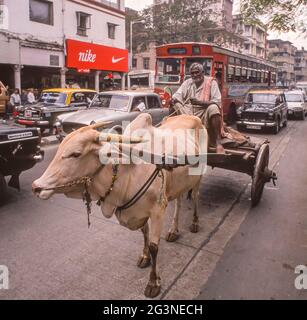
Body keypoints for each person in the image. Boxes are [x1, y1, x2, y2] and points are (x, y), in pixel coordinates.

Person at [172, 63, 225, 154]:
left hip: (204, 112)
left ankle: (218, 142)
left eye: (197, 72)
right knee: (174, 105)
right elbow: (177, 96)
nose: (195, 75)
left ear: (203, 72)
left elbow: (217, 102)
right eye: (192, 73)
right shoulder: (187, 82)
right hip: (189, 113)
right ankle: (173, 135)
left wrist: (198, 102)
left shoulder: (211, 82)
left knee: (214, 108)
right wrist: (175, 100)